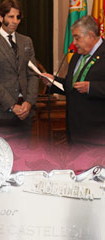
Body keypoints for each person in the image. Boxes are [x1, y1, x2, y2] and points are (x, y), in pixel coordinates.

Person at [42, 15, 105, 145]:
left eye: (77, 38)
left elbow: (88, 86)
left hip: (97, 134)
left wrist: (91, 88)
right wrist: (52, 81)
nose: (74, 43)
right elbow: (71, 86)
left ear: (91, 35)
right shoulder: (77, 56)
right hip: (74, 132)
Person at [0, 0, 38, 137]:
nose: (15, 21)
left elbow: (33, 74)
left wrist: (29, 102)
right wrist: (12, 106)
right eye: (11, 17)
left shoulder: (26, 41)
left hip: (25, 114)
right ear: (1, 17)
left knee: (25, 157)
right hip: (1, 115)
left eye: (18, 17)